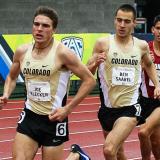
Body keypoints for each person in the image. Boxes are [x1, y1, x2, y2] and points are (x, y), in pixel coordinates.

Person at [0, 6, 96, 160]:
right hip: (30, 116)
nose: (39, 29)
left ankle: (76, 156)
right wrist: (6, 94)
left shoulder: (63, 53)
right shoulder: (22, 51)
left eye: (45, 26)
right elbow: (11, 77)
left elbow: (90, 81)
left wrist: (68, 109)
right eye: (36, 24)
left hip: (54, 119)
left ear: (54, 30)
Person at [87, 4, 160, 160]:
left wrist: (157, 84)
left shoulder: (141, 46)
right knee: (118, 152)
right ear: (114, 21)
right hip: (107, 108)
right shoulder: (102, 44)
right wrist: (94, 63)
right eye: (119, 20)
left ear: (134, 23)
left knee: (109, 149)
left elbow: (148, 65)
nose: (122, 25)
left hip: (131, 108)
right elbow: (88, 73)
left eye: (127, 21)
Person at [138, 15, 160, 160]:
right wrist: (145, 63)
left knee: (143, 132)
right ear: (152, 29)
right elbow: (133, 72)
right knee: (155, 143)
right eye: (158, 28)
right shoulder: (146, 49)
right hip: (147, 101)